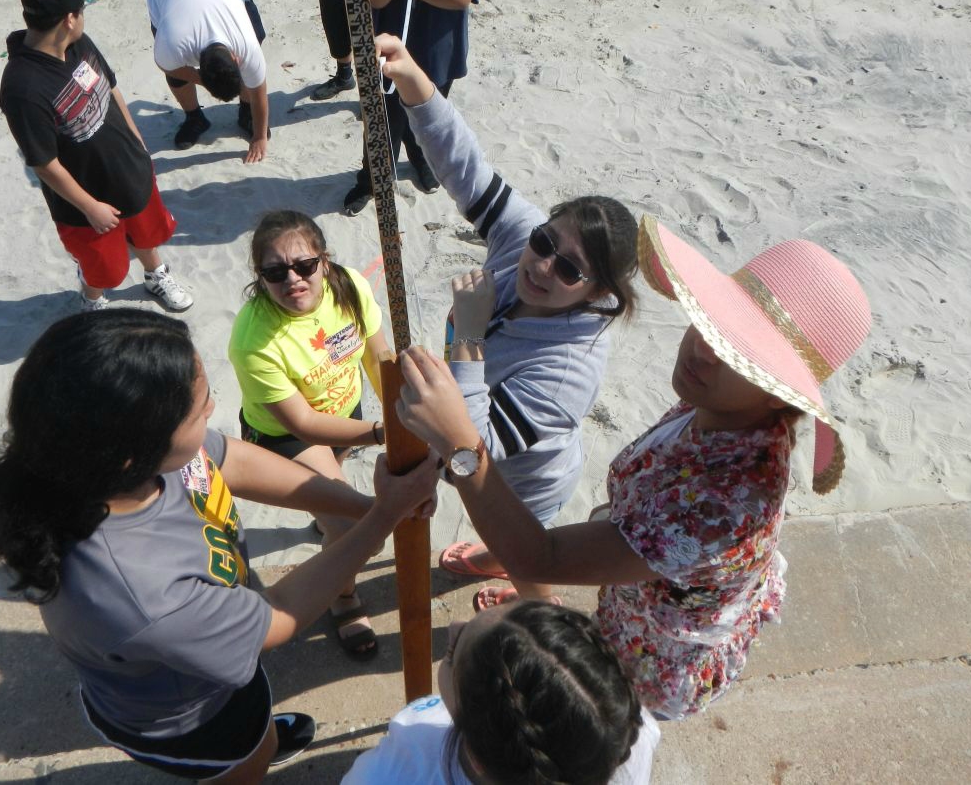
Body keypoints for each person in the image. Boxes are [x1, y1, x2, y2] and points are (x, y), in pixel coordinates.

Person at [393, 210, 872, 720]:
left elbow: (540, 557)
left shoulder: (721, 506)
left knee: (597, 723)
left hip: (652, 661)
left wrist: (460, 445)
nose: (704, 349)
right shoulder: (726, 409)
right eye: (713, 323)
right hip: (643, 597)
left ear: (780, 395)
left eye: (740, 355)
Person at [0, 309, 437, 783]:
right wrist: (383, 517)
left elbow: (232, 461)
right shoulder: (142, 594)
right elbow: (276, 613)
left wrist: (362, 506)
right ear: (133, 453)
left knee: (258, 725)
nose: (212, 408)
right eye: (199, 408)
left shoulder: (116, 461)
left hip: (210, 654)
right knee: (244, 760)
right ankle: (253, 752)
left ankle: (263, 736)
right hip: (192, 717)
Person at [374, 36, 638, 610]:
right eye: (546, 242)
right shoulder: (524, 238)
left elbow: (477, 449)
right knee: (497, 544)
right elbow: (465, 167)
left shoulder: (569, 370)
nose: (541, 265)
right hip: (476, 453)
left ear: (599, 293)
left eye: (569, 269)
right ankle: (494, 558)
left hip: (520, 484)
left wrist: (468, 339)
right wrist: (416, 85)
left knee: (525, 558)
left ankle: (536, 607)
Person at [228, 211, 391, 657]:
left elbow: (377, 357)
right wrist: (384, 432)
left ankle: (324, 519)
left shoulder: (349, 285)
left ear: (324, 260)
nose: (293, 280)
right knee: (354, 526)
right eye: (275, 272)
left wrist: (398, 411)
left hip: (345, 413)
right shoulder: (253, 341)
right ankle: (343, 596)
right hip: (287, 436)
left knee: (331, 505)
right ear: (259, 276)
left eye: (304, 265)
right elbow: (302, 423)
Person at [0, 0, 193, 313]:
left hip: (130, 170)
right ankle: (92, 297)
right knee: (105, 268)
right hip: (85, 206)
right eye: (82, 10)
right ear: (70, 19)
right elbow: (44, 163)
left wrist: (136, 140)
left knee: (147, 234)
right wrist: (90, 207)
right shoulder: (23, 88)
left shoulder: (78, 44)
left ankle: (155, 275)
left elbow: (111, 86)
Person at [342, 601, 660, 784]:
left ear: (477, 761)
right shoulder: (630, 734)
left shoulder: (389, 769)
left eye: (452, 653)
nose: (454, 625)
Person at [342, 0, 480, 215]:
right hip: (389, 55)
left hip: (437, 54)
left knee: (427, 120)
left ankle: (420, 159)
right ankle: (371, 181)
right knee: (381, 127)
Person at [146, 0, 270, 159]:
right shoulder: (173, 44)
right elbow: (167, 66)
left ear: (237, 59)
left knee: (258, 38)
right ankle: (194, 118)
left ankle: (246, 112)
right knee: (175, 72)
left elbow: (259, 89)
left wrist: (260, 137)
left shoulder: (248, 46)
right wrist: (200, 79)